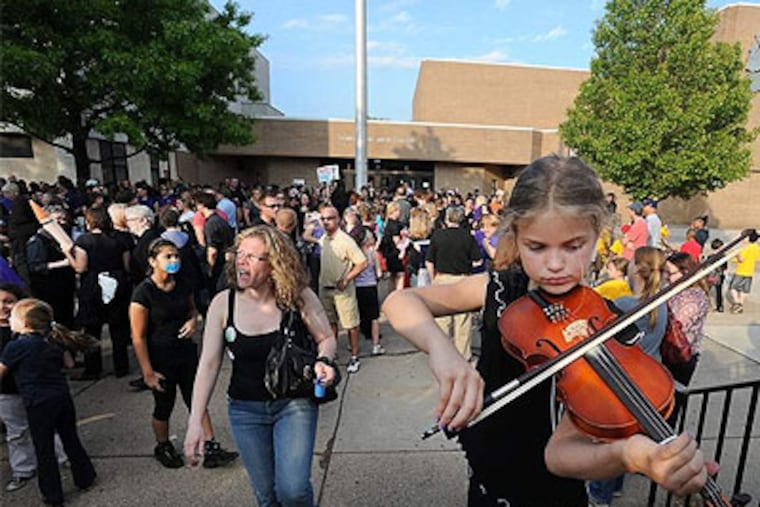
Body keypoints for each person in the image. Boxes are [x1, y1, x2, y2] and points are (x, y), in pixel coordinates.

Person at [382, 155, 710, 507]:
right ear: (517, 236)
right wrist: (443, 352)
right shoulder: (500, 288)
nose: (555, 265)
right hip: (487, 484)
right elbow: (401, 303)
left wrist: (631, 454)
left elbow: (560, 454)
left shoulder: (609, 324)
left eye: (573, 246)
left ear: (598, 234)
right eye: (536, 247)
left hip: (551, 496)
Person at [184, 226, 338, 507]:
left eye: (253, 257)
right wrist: (195, 422)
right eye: (239, 254)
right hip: (245, 410)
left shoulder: (297, 297)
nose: (241, 261)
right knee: (266, 496)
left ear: (275, 266)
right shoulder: (223, 304)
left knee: (293, 490)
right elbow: (207, 364)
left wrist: (324, 361)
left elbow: (326, 338)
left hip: (293, 404)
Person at [130, 239, 238, 469]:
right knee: (164, 405)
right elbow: (138, 336)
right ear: (153, 261)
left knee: (196, 398)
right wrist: (147, 371)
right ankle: (163, 445)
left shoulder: (183, 284)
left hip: (186, 353)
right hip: (160, 356)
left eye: (176, 256)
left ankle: (209, 445)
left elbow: (192, 309)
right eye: (167, 257)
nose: (173, 261)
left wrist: (192, 321)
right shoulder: (143, 293)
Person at [0, 298, 97, 507]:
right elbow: (69, 364)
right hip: (61, 396)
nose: (11, 321)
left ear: (25, 323)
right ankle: (85, 478)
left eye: (13, 317)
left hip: (38, 403)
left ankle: (53, 495)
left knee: (44, 450)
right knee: (70, 439)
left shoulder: (15, 347)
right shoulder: (54, 340)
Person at [62, 207, 132, 380]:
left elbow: (80, 267)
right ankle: (121, 366)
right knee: (118, 328)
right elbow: (127, 265)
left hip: (93, 285)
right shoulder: (120, 239)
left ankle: (93, 368)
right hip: (117, 281)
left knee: (92, 329)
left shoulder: (84, 241)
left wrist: (67, 254)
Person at [312, 205, 367, 374]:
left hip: (342, 290)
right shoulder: (324, 239)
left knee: (351, 324)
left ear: (338, 220)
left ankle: (354, 356)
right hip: (325, 288)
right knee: (330, 323)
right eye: (323, 219)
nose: (326, 222)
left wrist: (347, 278)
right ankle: (332, 353)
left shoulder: (345, 240)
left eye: (330, 218)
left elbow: (362, 262)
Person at [425, 205, 482, 362]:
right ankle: (463, 356)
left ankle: (443, 354)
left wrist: (433, 279)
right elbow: (478, 261)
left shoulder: (438, 236)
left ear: (447, 218)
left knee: (442, 322)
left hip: (442, 279)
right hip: (462, 280)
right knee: (462, 322)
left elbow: (429, 261)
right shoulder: (468, 237)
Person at [663, 253, 710, 388]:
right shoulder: (674, 289)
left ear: (686, 272)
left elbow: (678, 325)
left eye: (670, 273)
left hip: (680, 355)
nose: (666, 277)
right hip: (669, 350)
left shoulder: (693, 298)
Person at [354, 228, 385, 355]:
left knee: (357, 317)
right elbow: (379, 273)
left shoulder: (355, 253)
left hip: (356, 286)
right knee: (374, 317)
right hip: (370, 285)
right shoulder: (373, 253)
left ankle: (354, 345)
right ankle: (376, 345)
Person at [728, 229, 760, 314]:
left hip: (740, 271)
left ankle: (737, 302)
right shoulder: (756, 248)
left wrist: (737, 255)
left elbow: (741, 259)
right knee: (743, 290)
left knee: (732, 288)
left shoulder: (745, 248)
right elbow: (758, 258)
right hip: (750, 272)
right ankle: (741, 304)